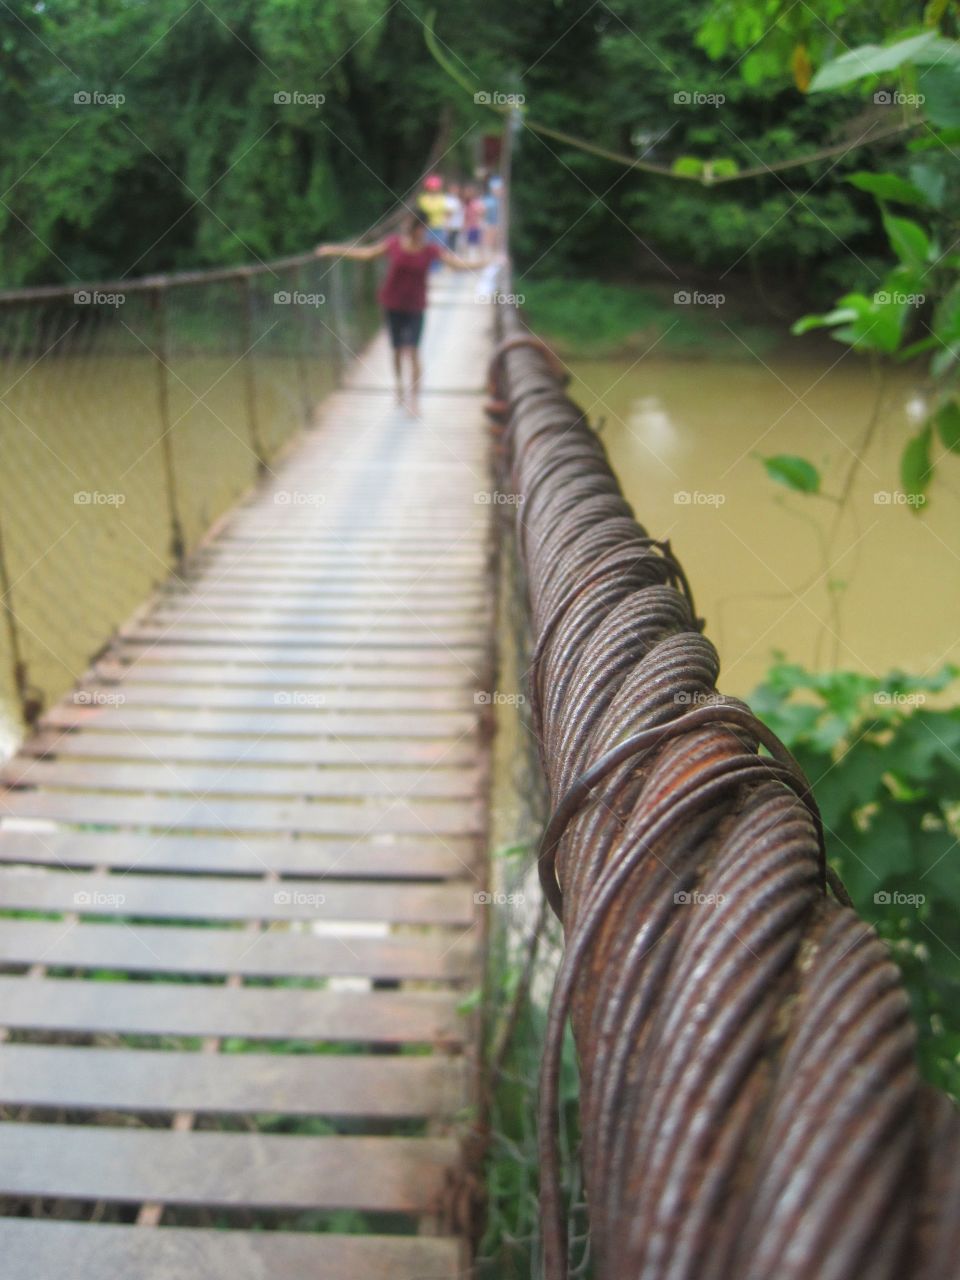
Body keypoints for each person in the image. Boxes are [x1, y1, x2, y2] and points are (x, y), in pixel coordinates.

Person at [315, 211, 489, 417]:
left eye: (424, 228)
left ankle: (414, 401)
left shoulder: (430, 250)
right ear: (413, 229)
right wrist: (333, 250)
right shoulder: (394, 244)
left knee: (413, 351)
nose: (422, 232)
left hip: (416, 307)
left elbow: (456, 264)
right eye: (418, 228)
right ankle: (399, 386)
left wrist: (484, 263)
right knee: (397, 351)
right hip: (393, 305)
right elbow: (366, 254)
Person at [462, 185, 484, 262]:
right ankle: (470, 259)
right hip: (469, 226)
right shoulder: (466, 204)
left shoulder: (476, 203)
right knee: (468, 243)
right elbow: (465, 216)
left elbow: (481, 213)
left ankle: (474, 259)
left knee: (474, 243)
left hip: (475, 226)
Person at [444, 182, 464, 254]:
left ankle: (452, 255)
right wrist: (447, 224)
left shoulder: (458, 199)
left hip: (457, 225)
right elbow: (448, 213)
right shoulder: (447, 199)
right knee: (449, 243)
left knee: (455, 243)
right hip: (450, 225)